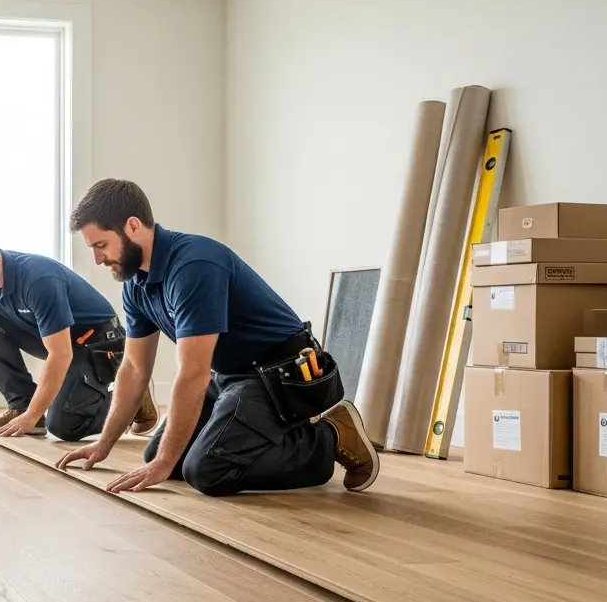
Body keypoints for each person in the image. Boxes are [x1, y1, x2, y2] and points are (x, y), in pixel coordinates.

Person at [55, 178, 379, 496]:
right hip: (230, 375)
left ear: (133, 226)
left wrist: (166, 462)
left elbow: (193, 373)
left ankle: (330, 436)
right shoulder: (136, 285)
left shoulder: (194, 265)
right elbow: (134, 369)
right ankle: (264, 433)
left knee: (206, 471)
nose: (98, 259)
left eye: (101, 245)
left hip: (279, 373)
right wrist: (104, 444)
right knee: (159, 458)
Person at [0, 227, 157, 441]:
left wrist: (33, 414)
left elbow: (61, 354)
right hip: (60, 340)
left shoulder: (38, 279)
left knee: (64, 426)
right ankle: (21, 406)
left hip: (97, 341)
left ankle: (133, 395)